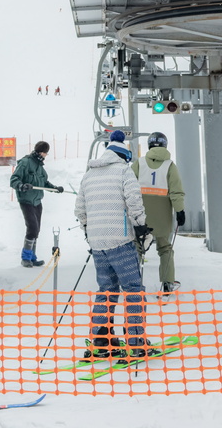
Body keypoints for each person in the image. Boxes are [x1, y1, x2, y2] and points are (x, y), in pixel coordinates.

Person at [75, 130, 155, 359]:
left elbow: (80, 210)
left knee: (106, 290)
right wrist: (141, 227)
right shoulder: (124, 171)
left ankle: (101, 340)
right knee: (133, 290)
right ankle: (135, 342)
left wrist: (90, 233)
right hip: (120, 240)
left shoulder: (88, 175)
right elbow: (133, 201)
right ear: (124, 156)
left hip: (98, 244)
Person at [132, 132, 186, 293]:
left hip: (141, 214)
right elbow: (176, 192)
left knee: (137, 247)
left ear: (149, 145)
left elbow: (128, 188)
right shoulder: (170, 166)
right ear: (165, 145)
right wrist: (180, 211)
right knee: (165, 248)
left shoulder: (138, 164)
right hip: (162, 215)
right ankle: (167, 282)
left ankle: (132, 282)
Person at [10, 140, 64, 267]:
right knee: (32, 228)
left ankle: (32, 257)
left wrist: (56, 188)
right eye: (45, 153)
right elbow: (14, 180)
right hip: (26, 201)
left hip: (37, 201)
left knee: (36, 230)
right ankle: (25, 258)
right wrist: (22, 186)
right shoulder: (25, 163)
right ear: (41, 152)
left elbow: (44, 183)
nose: (45, 155)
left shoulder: (40, 167)